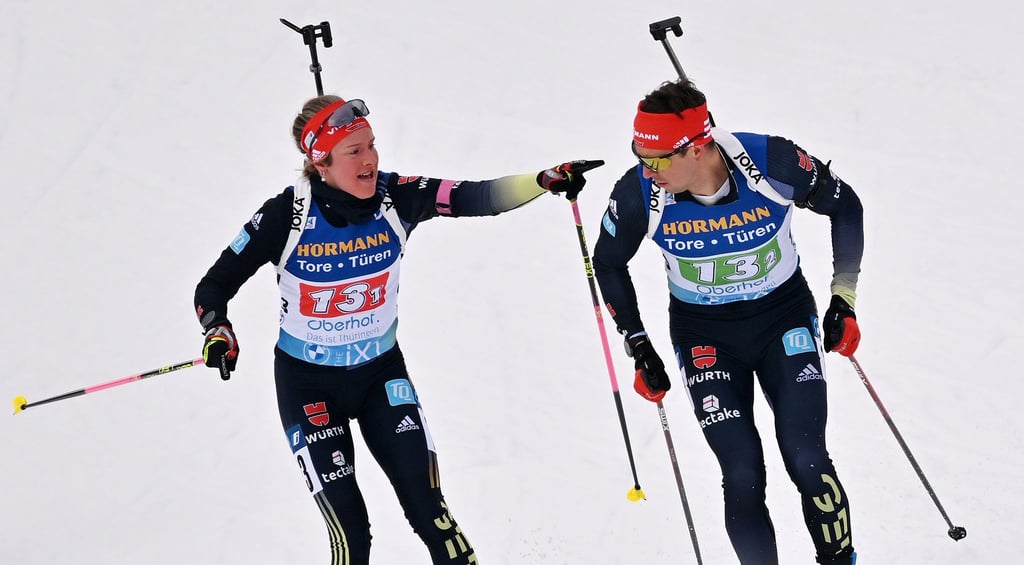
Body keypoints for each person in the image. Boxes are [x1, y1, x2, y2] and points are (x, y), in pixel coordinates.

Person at [194, 94, 603, 565]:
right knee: (352, 535)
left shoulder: (398, 196)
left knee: (432, 513)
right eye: (354, 151)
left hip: (380, 377)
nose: (370, 159)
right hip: (308, 387)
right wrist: (217, 330)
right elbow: (213, 285)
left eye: (371, 145)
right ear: (319, 161)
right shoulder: (285, 216)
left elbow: (478, 197)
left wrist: (541, 181)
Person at [593, 79, 863, 565]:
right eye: (639, 155)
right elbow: (607, 263)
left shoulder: (772, 163)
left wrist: (843, 298)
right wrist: (638, 343)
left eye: (655, 160)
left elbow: (846, 207)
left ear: (697, 147)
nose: (646, 170)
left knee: (807, 457)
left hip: (783, 319)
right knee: (741, 471)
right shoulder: (638, 195)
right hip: (705, 335)